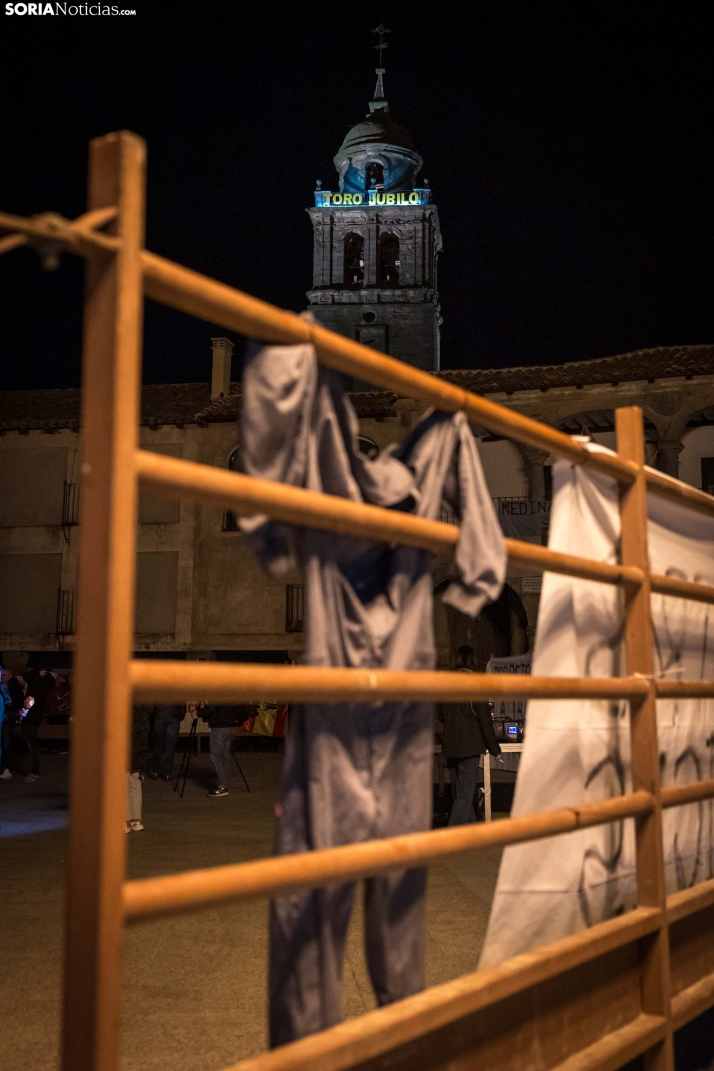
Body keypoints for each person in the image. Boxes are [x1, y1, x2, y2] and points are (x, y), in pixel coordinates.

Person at [440, 645, 502, 825]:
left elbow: (440, 716)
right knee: (464, 796)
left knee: (459, 794)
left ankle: (471, 828)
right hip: (469, 747)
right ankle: (453, 836)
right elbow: (485, 720)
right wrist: (494, 748)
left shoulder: (445, 684)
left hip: (450, 745)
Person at [203, 704, 237, 797]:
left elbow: (212, 707)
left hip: (219, 728)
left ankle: (222, 787)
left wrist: (200, 713)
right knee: (225, 757)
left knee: (216, 758)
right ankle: (224, 783)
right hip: (230, 727)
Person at [127, 705, 151, 833]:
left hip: (125, 748)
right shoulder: (143, 708)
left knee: (123, 785)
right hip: (139, 749)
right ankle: (136, 820)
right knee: (135, 784)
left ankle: (124, 821)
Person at [149, 704, 184, 781]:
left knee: (158, 745)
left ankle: (155, 771)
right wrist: (179, 717)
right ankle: (167, 773)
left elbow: (152, 706)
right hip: (174, 717)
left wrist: (153, 718)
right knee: (170, 747)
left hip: (160, 716)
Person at [0, 667, 25, 777]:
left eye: (4, 675)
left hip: (7, 716)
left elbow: (16, 702)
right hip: (7, 715)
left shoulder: (11, 686)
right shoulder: (5, 686)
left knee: (6, 742)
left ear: (10, 676)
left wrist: (11, 713)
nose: (2, 677)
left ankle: (7, 768)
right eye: (1, 675)